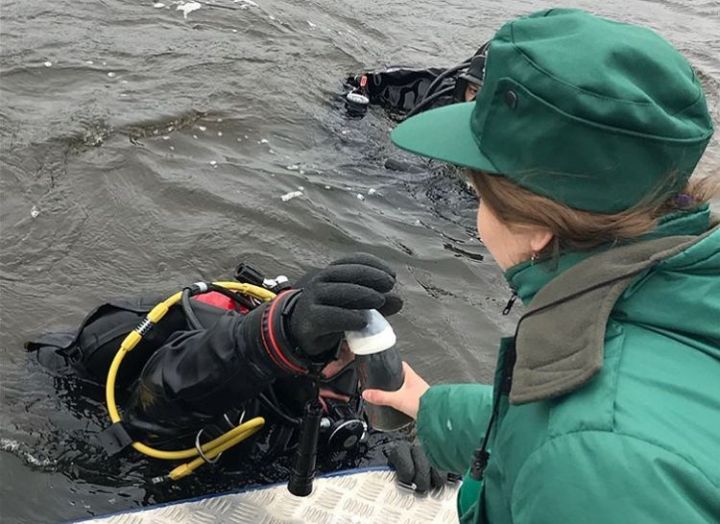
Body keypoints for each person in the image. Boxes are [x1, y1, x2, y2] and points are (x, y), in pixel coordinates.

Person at [362, 8, 720, 523]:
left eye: (477, 188)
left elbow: (589, 446)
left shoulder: (590, 463)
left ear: (536, 226)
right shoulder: (682, 294)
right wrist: (432, 408)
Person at [26, 254, 403, 476]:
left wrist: (404, 456)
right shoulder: (231, 369)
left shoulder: (350, 383)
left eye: (350, 356)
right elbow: (158, 403)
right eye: (332, 354)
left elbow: (364, 440)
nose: (343, 367)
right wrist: (275, 337)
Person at [344, 42, 489, 119]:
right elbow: (364, 84)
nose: (477, 104)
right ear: (462, 88)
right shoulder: (436, 93)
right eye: (474, 90)